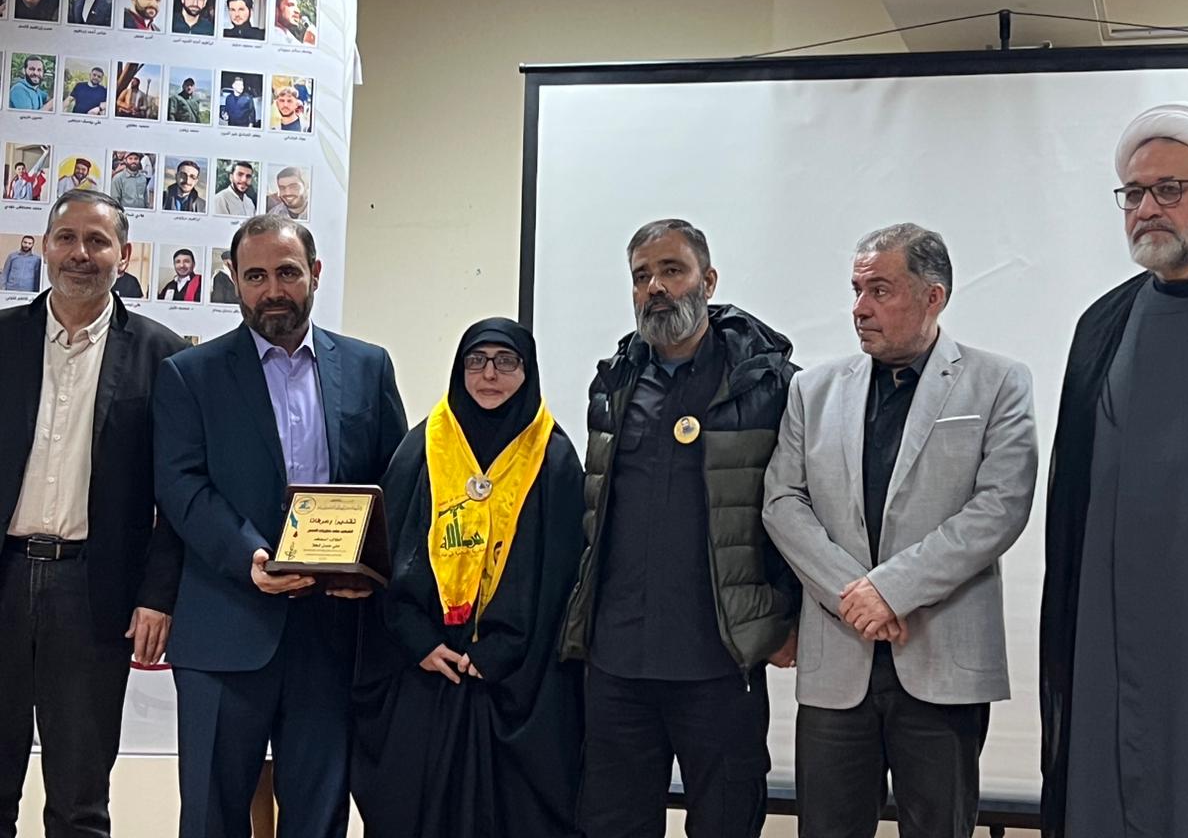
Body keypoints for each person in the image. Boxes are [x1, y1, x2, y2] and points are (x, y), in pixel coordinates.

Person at [1041, 101, 1188, 838]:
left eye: (1169, 190)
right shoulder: (1101, 325)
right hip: (1111, 624)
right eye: (1134, 194)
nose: (1146, 209)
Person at [763, 223, 1037, 838]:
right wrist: (855, 596)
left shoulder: (998, 382)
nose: (860, 308)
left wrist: (890, 591)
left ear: (933, 296)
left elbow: (1001, 506)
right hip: (838, 662)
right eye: (856, 290)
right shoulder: (812, 389)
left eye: (880, 291)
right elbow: (782, 502)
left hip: (943, 660)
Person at [153, 214, 407, 838]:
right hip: (224, 625)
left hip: (332, 632)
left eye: (288, 273)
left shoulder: (368, 367)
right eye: (256, 276)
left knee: (319, 817)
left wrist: (370, 568)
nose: (273, 290)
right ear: (234, 279)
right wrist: (248, 556)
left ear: (315, 274)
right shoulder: (190, 374)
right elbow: (182, 486)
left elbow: (396, 482)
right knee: (212, 817)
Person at [562, 218, 799, 838]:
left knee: (725, 822)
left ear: (708, 280)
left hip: (719, 658)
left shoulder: (767, 383)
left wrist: (787, 616)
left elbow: (801, 507)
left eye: (672, 270)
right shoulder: (614, 382)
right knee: (611, 825)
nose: (656, 287)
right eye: (642, 276)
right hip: (619, 659)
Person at [351, 318, 585, 837]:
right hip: (426, 669)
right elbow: (388, 560)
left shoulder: (554, 458)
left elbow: (563, 581)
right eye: (476, 361)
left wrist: (502, 649)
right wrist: (418, 640)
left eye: (506, 361)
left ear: (528, 371)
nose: (489, 374)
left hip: (517, 680)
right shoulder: (421, 448)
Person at [0, 190, 184, 837]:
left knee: (79, 803)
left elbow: (177, 495)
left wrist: (158, 596)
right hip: (3, 578)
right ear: (47, 247)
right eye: (67, 238)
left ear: (123, 255)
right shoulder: (3, 340)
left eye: (98, 241)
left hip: (94, 593)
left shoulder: (163, 357)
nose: (81, 253)